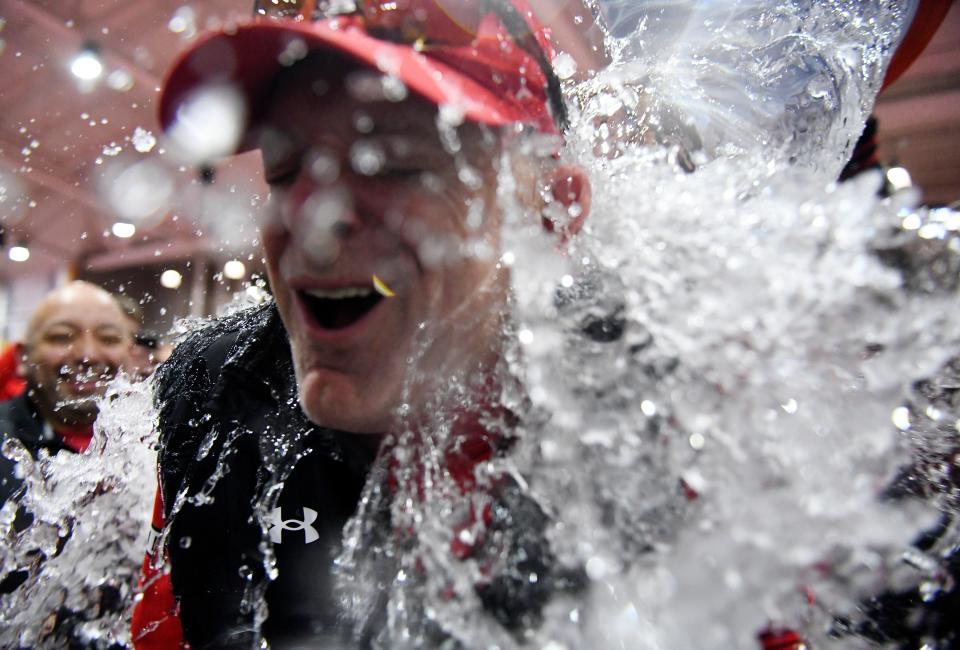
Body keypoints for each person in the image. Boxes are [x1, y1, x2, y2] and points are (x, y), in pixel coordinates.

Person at [132, 1, 594, 648]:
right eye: (285, 172)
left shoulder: (661, 410)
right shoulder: (212, 401)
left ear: (550, 215)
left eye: (392, 164)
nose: (314, 224)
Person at [0, 281, 136, 595]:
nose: (87, 354)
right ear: (22, 357)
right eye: (62, 337)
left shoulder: (151, 446)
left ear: (130, 354)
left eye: (109, 338)